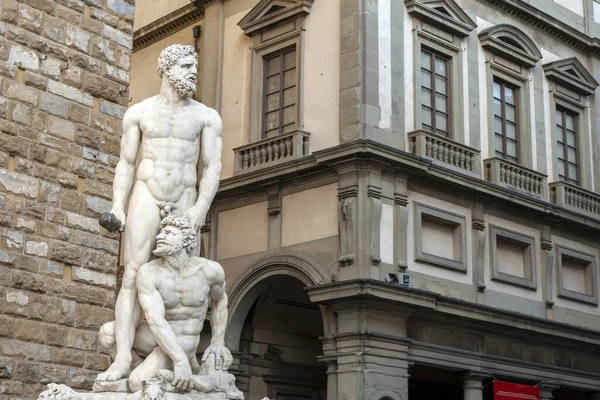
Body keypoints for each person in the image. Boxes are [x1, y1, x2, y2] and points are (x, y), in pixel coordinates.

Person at [96, 44, 223, 382]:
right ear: (166, 69)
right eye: (185, 65)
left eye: (194, 66)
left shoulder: (206, 116)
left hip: (185, 201)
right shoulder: (139, 112)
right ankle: (123, 358)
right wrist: (116, 208)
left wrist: (198, 211)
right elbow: (125, 163)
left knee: (183, 279)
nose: (193, 72)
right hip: (146, 196)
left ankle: (177, 358)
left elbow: (212, 167)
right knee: (133, 275)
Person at [98, 215, 233, 392]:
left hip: (185, 339)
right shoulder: (149, 272)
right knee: (107, 333)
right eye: (160, 233)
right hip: (159, 335)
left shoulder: (210, 271)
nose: (160, 236)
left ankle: (194, 384)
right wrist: (179, 360)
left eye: (168, 233)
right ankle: (143, 368)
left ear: (185, 240)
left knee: (137, 383)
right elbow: (155, 320)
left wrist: (217, 342)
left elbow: (220, 300)